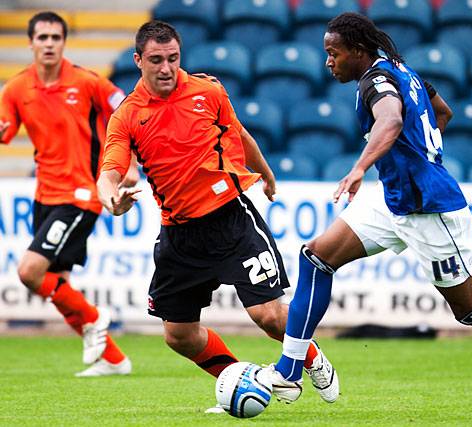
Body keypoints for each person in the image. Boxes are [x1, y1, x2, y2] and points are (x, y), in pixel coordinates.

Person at [265, 12, 472, 408]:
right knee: (316, 258)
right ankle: (288, 371)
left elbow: (390, 120)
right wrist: (418, 154)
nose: (328, 61)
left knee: (471, 308)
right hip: (394, 196)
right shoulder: (403, 71)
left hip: (429, 208)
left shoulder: (377, 81)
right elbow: (443, 112)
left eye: (333, 53)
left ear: (357, 50)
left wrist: (360, 167)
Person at [96, 20, 339, 411]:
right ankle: (244, 380)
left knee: (270, 316)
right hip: (179, 235)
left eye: (173, 58)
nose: (166, 68)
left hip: (231, 219)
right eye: (156, 60)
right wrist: (110, 199)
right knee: (178, 335)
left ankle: (310, 358)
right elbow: (109, 171)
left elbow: (239, 134)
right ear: (138, 60)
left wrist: (265, 172)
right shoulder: (127, 116)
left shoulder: (207, 91)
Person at [0, 11, 137, 377]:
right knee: (58, 284)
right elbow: (5, 131)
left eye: (55, 38)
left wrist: (129, 165)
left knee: (30, 273)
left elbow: (126, 112)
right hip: (45, 194)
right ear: (30, 43)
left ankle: (96, 318)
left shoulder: (87, 82)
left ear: (64, 43)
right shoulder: (16, 89)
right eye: (42, 38)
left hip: (80, 194)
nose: (48, 44)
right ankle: (113, 360)